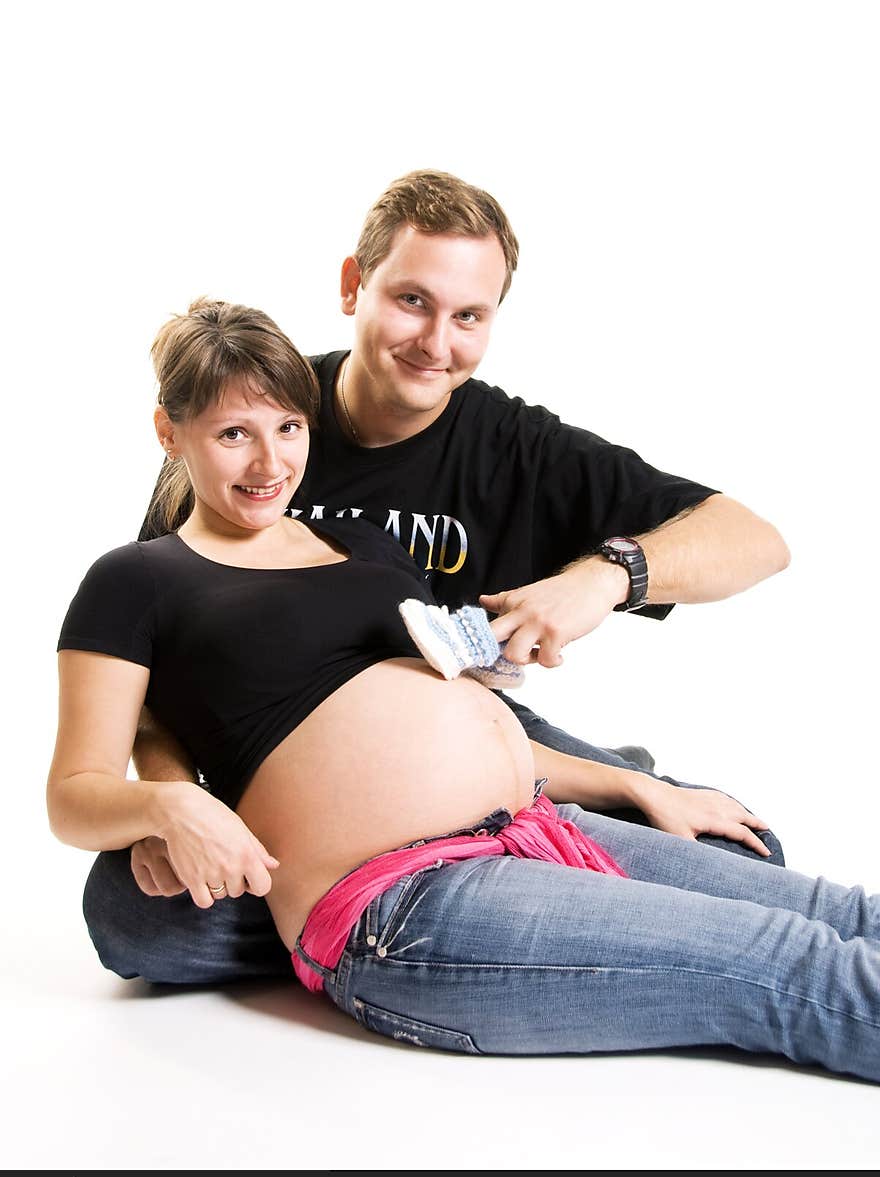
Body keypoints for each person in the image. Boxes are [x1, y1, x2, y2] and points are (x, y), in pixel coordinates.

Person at [49, 301, 880, 1082]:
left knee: (837, 913)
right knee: (804, 970)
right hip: (403, 900)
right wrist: (169, 806)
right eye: (234, 433)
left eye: (290, 428)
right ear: (170, 433)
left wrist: (636, 785)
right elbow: (74, 793)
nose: (271, 463)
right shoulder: (136, 580)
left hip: (535, 823)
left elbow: (453, 707)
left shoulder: (360, 543)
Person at [86, 170, 791, 985]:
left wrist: (606, 576)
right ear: (354, 284)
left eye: (469, 317)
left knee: (751, 856)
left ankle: (497, 856)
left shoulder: (515, 445)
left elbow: (755, 540)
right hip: (280, 788)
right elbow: (141, 680)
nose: (435, 342)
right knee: (138, 925)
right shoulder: (250, 422)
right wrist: (177, 807)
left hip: (465, 753)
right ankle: (444, 896)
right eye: (412, 301)